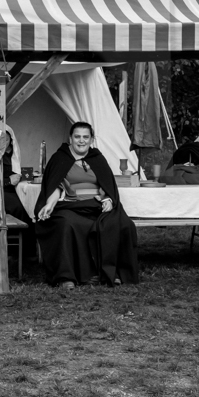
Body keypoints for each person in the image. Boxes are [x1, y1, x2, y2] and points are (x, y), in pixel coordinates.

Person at [33, 122, 140, 288]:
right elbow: (56, 186)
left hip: (96, 205)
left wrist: (108, 200)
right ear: (70, 138)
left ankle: (110, 272)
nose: (81, 141)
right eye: (77, 137)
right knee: (67, 224)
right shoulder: (60, 158)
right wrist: (49, 204)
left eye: (85, 137)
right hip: (70, 205)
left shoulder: (97, 158)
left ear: (91, 139)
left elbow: (107, 184)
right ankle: (66, 276)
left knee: (121, 224)